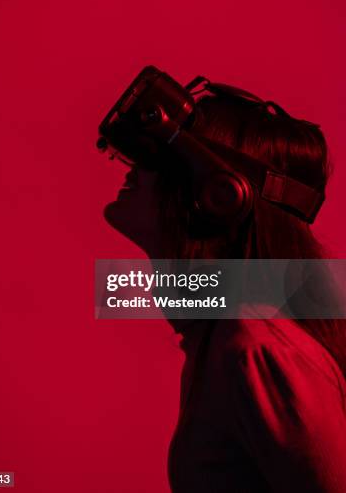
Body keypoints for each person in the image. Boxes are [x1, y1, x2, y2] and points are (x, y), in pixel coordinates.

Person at [103, 85, 346, 492]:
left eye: (156, 157)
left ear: (222, 194)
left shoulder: (257, 350)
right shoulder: (220, 339)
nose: (132, 167)